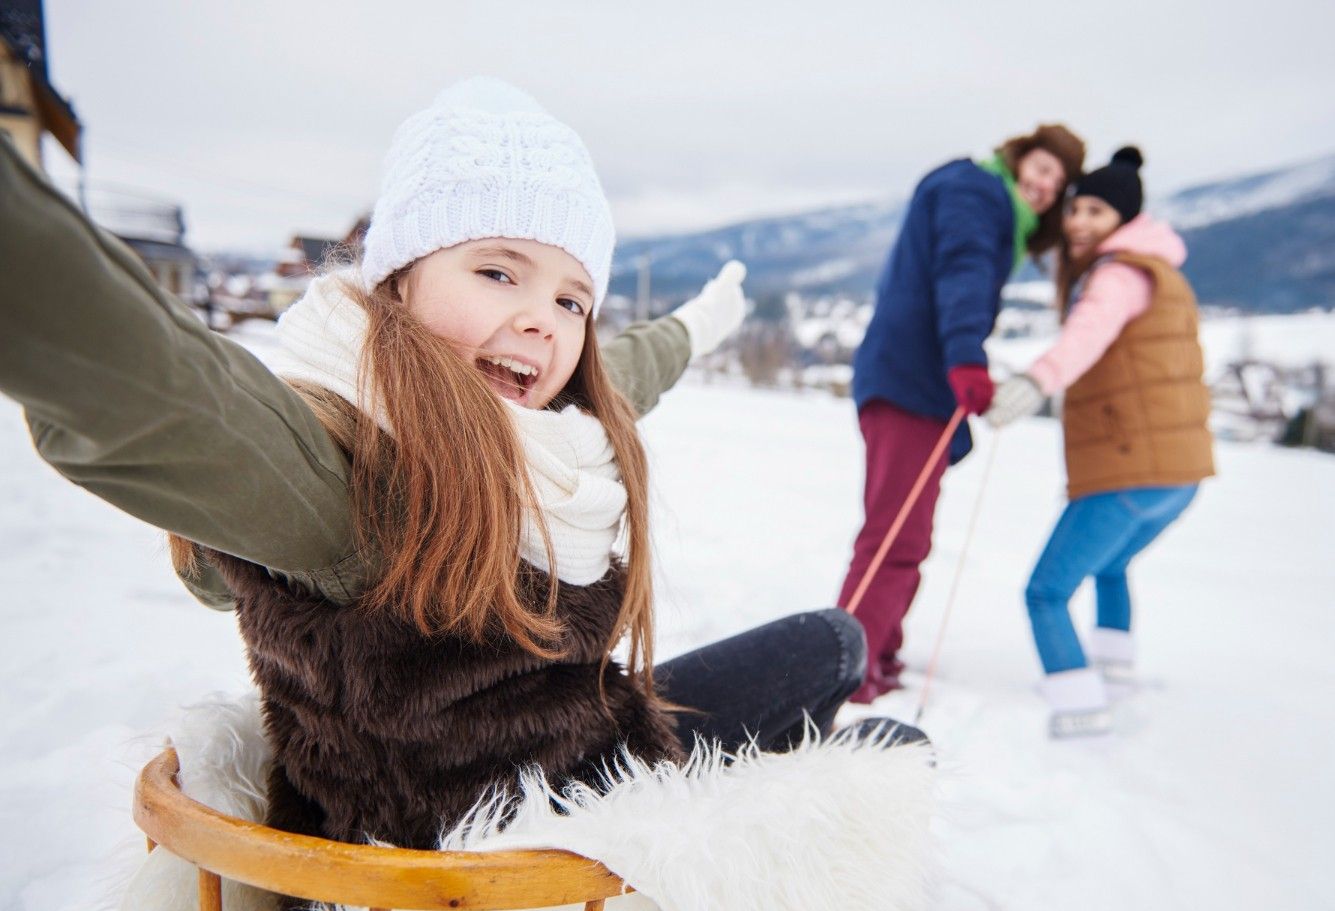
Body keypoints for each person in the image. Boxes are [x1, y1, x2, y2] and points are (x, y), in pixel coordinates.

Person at [0, 78, 925, 863]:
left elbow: (624, 373)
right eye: (497, 272)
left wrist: (698, 324)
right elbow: (162, 388)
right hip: (516, 870)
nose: (542, 320)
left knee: (833, 641)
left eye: (571, 299)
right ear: (398, 280)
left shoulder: (532, 436)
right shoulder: (338, 473)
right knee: (889, 743)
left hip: (584, 759)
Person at [840, 125, 1086, 702]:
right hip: (909, 381)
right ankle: (847, 668)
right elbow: (963, 273)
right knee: (894, 533)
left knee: (908, 532)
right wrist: (967, 360)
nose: (1046, 186)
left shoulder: (983, 199)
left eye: (1058, 182)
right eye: (1043, 168)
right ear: (1019, 157)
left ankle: (878, 650)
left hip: (916, 386)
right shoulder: (976, 193)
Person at [986, 147, 1215, 738]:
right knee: (1111, 566)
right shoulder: (1159, 269)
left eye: (1095, 211)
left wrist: (1036, 380)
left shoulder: (1117, 275)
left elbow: (1086, 336)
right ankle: (1113, 673)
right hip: (1179, 476)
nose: (1079, 222)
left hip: (1131, 471)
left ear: (1124, 217)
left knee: (1045, 592)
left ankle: (1079, 705)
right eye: (1074, 210)